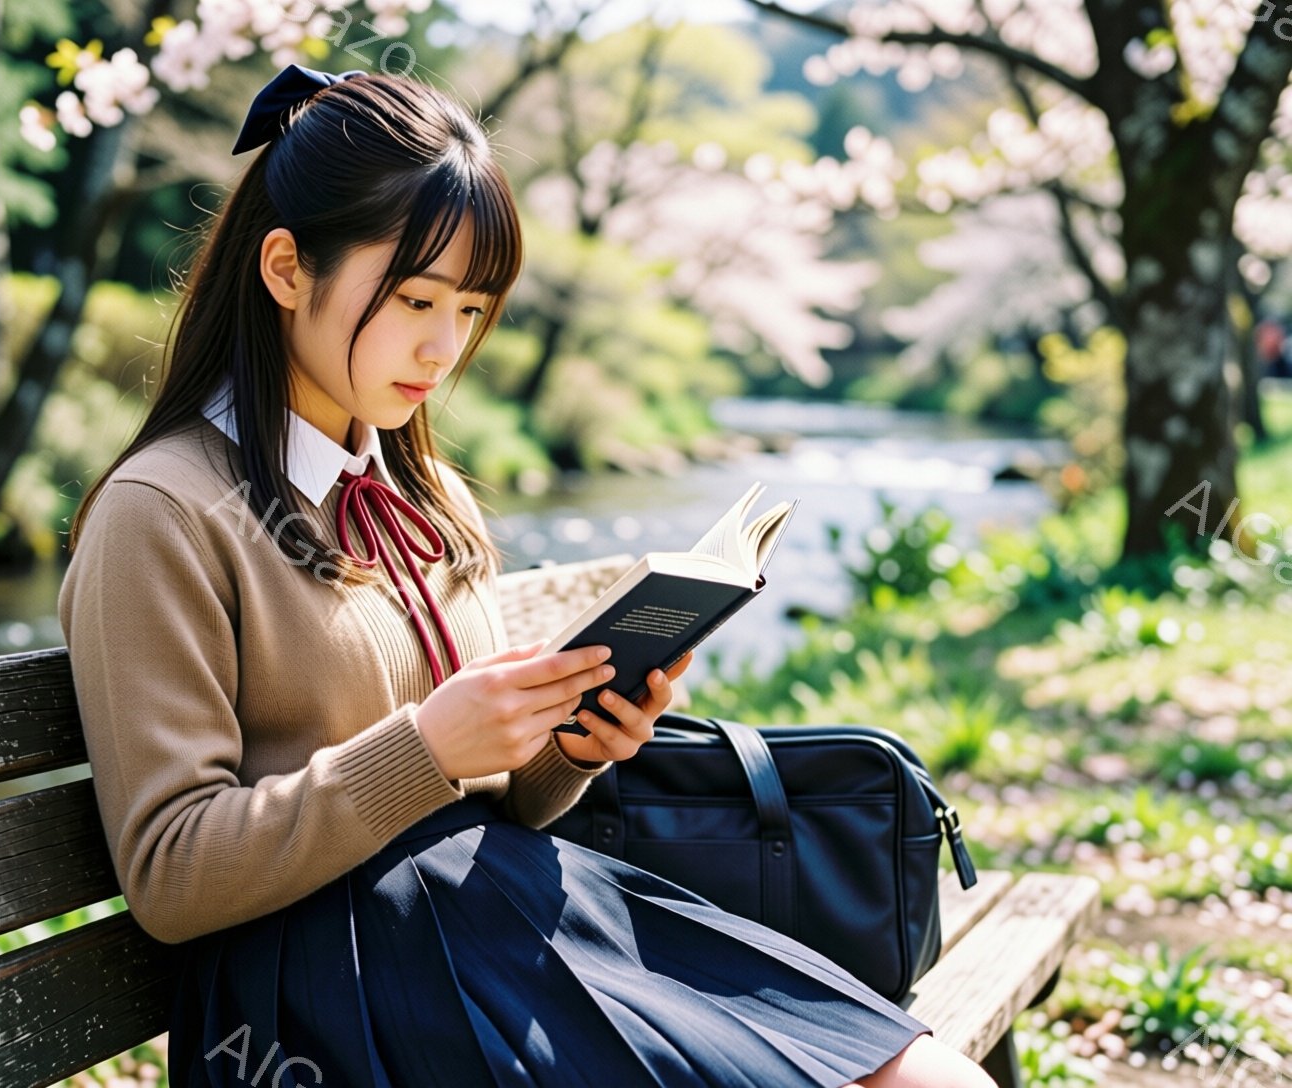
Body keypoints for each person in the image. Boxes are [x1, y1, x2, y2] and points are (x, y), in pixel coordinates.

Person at [57, 64, 996, 1088]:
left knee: (923, 1073)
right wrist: (423, 746)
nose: (443, 346)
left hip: (487, 913)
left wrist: (567, 747)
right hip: (330, 984)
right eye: (415, 298)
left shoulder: (426, 498)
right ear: (286, 268)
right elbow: (171, 871)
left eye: (469, 308)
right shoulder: (166, 510)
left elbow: (486, 795)